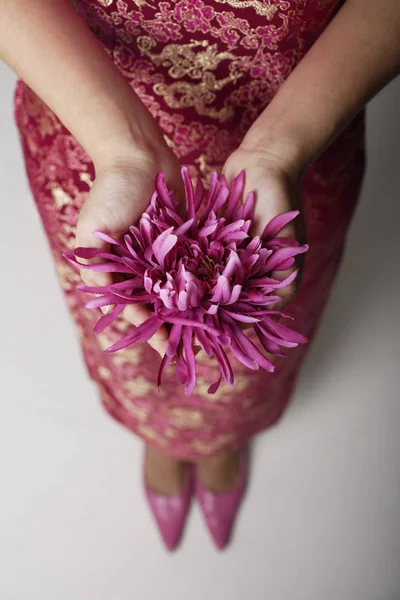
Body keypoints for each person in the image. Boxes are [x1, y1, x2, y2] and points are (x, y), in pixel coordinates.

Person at [1, 0, 399, 551]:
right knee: (128, 337)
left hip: (299, 130)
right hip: (93, 127)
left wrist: (278, 153)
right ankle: (161, 438)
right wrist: (124, 152)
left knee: (257, 338)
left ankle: (222, 441)